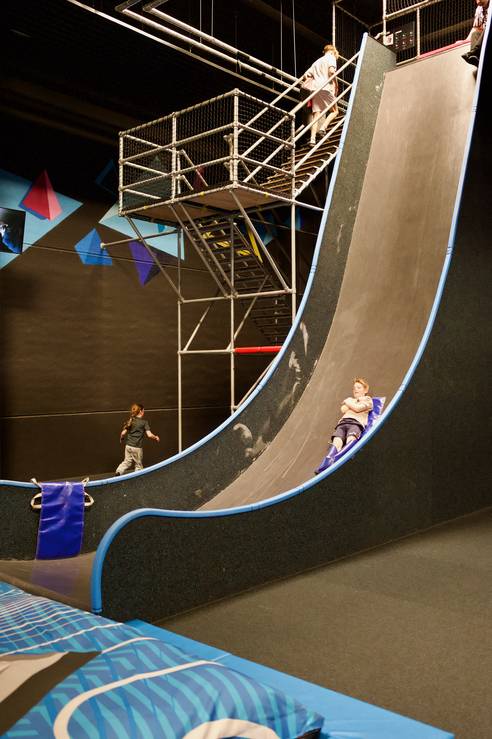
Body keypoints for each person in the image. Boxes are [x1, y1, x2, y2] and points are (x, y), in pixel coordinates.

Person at [315, 377, 373, 473]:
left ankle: (340, 460)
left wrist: (348, 402)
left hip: (355, 423)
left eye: (359, 388)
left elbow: (357, 408)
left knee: (351, 439)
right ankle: (325, 465)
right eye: (354, 388)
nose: (356, 390)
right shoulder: (351, 400)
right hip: (343, 423)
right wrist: (351, 402)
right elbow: (343, 409)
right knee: (337, 441)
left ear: (365, 390)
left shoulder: (367, 399)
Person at [301, 44, 339, 145]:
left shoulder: (316, 62)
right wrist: (336, 84)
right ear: (332, 51)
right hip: (325, 87)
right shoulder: (331, 57)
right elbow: (332, 72)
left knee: (316, 114)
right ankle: (322, 128)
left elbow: (305, 75)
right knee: (335, 111)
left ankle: (312, 140)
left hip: (314, 89)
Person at [115, 403, 160, 475]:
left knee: (127, 462)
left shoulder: (131, 421)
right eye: (144, 410)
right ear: (141, 411)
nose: (144, 412)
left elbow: (123, 433)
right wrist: (156, 437)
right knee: (138, 465)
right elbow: (149, 435)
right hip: (137, 447)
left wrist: (121, 438)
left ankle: (119, 472)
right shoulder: (144, 422)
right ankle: (138, 479)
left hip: (128, 446)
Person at [462, 0, 489, 67]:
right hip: (486, 35)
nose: (477, 1)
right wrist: (465, 41)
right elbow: (476, 28)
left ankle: (475, 52)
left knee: (487, 28)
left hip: (489, 30)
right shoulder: (479, 9)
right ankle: (474, 57)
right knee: (475, 34)